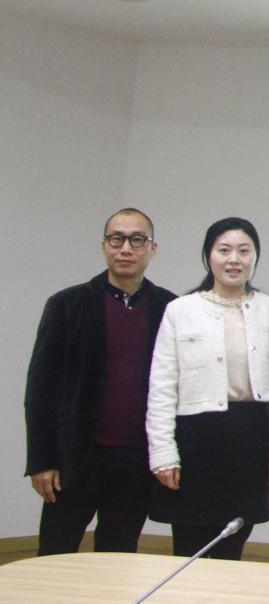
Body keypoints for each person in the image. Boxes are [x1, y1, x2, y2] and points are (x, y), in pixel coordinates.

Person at [24, 208, 177, 556]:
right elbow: (41, 389)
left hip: (136, 459)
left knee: (117, 556)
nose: (126, 248)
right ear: (103, 246)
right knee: (54, 553)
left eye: (137, 240)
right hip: (75, 456)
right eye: (116, 239)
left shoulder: (170, 308)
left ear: (152, 249)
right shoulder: (67, 304)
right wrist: (42, 460)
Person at [147, 217, 269, 560]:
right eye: (224, 250)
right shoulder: (181, 310)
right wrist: (163, 453)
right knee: (188, 550)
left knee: (232, 548)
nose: (234, 259)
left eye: (244, 251)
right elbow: (162, 387)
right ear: (208, 256)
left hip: (248, 441)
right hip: (194, 442)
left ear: (255, 257)